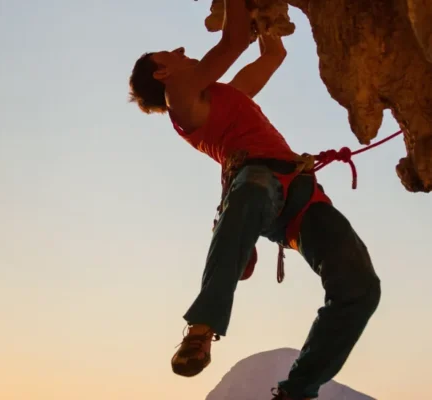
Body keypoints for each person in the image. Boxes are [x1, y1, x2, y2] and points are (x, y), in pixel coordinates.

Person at [127, 0, 382, 399]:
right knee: (254, 189)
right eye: (169, 54)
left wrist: (267, 16)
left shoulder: (227, 94)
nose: (179, 50)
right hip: (257, 183)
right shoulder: (181, 97)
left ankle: (296, 391)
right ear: (162, 73)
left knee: (360, 287)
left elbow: (272, 55)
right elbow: (231, 42)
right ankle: (202, 326)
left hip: (300, 191)